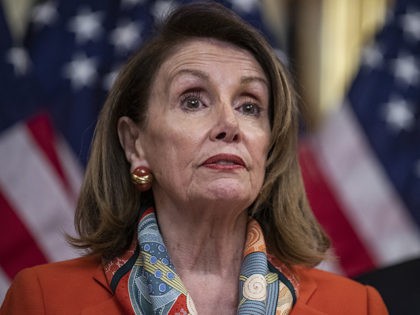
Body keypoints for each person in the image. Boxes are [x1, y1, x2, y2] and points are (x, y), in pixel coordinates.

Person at [0, 2, 388, 314]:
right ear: (135, 144)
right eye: (193, 101)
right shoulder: (45, 300)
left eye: (250, 106)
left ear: (269, 148)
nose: (229, 124)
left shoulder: (355, 306)